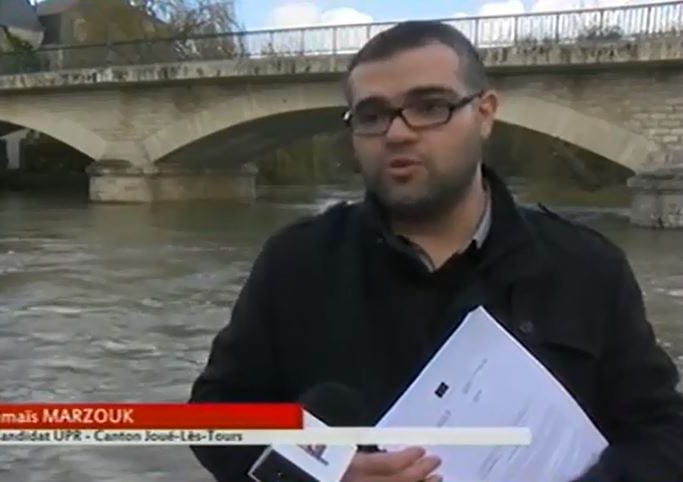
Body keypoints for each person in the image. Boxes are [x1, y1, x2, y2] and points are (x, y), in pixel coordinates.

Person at [187, 20, 683, 482]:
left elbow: (664, 431)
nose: (397, 132)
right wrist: (327, 468)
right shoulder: (295, 262)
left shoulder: (588, 267)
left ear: (484, 114)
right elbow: (212, 418)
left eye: (430, 106)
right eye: (372, 115)